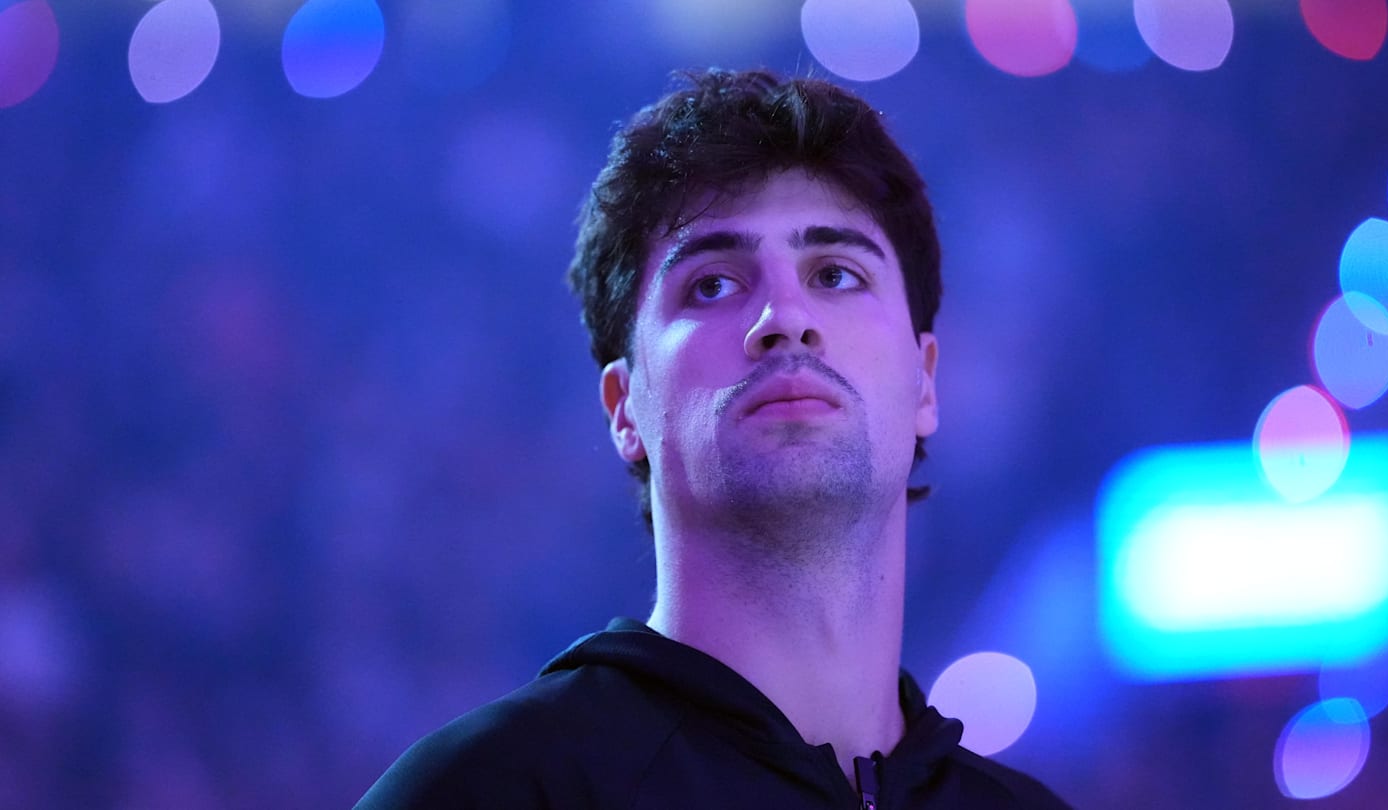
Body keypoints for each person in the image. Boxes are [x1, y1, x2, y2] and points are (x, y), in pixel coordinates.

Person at [357, 68, 1071, 809]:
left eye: (835, 273)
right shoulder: (486, 793)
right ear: (624, 405)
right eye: (713, 285)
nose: (785, 318)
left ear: (925, 381)